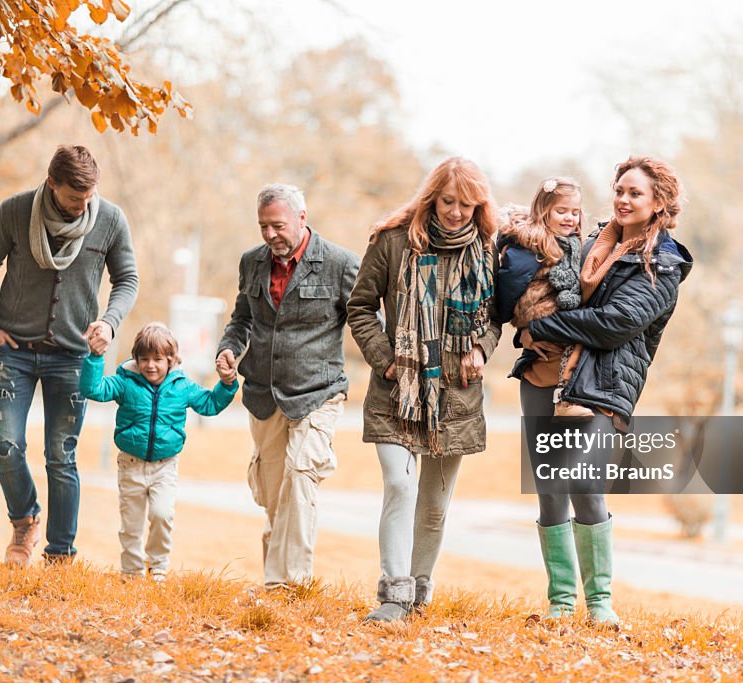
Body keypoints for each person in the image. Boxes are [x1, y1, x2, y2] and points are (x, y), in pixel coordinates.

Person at [507, 161, 692, 623]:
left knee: (587, 484)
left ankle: (600, 603)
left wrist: (541, 324)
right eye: (620, 191)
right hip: (544, 374)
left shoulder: (663, 262)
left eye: (636, 194)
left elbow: (618, 323)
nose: (624, 200)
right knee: (550, 488)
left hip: (603, 384)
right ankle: (562, 602)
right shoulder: (589, 243)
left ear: (659, 204)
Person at [347, 157, 502, 622]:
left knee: (433, 508)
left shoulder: (488, 250)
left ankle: (416, 593)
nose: (456, 212)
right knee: (399, 484)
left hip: (455, 392)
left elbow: (496, 316)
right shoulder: (392, 241)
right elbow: (359, 307)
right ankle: (392, 594)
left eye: (467, 204)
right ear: (431, 196)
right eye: (448, 201)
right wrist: (387, 361)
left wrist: (482, 347)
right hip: (398, 389)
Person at [0, 145, 139, 566]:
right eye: (72, 198)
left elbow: (127, 279)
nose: (81, 206)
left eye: (88, 198)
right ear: (52, 183)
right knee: (7, 446)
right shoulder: (14, 212)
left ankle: (60, 554)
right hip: (13, 352)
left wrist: (109, 322)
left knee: (61, 455)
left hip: (72, 356)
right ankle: (25, 518)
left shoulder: (109, 219)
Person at [215, 183, 360, 589]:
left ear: (301, 218)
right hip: (264, 393)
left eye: (277, 225)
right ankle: (276, 572)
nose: (269, 235)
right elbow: (241, 318)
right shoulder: (252, 263)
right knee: (275, 495)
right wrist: (229, 349)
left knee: (301, 475)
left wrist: (388, 366)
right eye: (263, 227)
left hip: (319, 391)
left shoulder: (339, 263)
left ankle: (289, 586)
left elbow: (364, 321)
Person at [79, 323, 238, 580]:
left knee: (162, 515)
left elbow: (210, 404)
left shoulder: (182, 386)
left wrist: (227, 384)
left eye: (158, 359)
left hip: (164, 466)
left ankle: (158, 567)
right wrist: (96, 357)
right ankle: (131, 572)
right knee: (131, 524)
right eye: (144, 359)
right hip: (131, 464)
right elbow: (93, 389)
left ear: (171, 360)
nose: (150, 365)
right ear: (136, 358)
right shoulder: (125, 383)